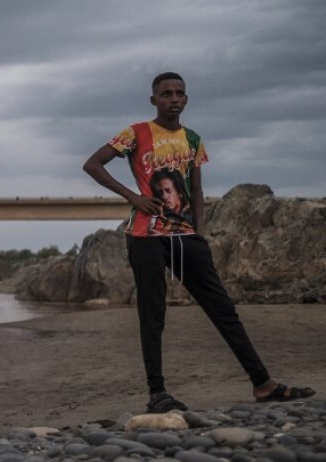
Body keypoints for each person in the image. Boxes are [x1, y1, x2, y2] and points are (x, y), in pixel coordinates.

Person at [82, 71, 314, 413]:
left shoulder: (193, 139)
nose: (173, 99)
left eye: (179, 93)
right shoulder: (136, 133)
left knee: (223, 309)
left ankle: (263, 384)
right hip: (146, 236)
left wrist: (200, 232)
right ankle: (157, 394)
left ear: (186, 99)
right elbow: (93, 164)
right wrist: (133, 196)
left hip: (186, 236)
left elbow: (198, 190)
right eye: (166, 94)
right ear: (154, 100)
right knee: (153, 314)